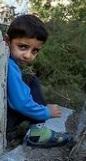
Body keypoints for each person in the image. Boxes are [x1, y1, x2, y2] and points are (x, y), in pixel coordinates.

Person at [5, 14, 73, 147]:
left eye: (35, 51)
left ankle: (36, 130)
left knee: (29, 79)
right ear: (7, 41)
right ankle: (38, 131)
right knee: (32, 80)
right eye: (22, 47)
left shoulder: (10, 62)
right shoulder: (10, 66)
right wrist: (46, 112)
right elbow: (20, 104)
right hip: (5, 121)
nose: (28, 55)